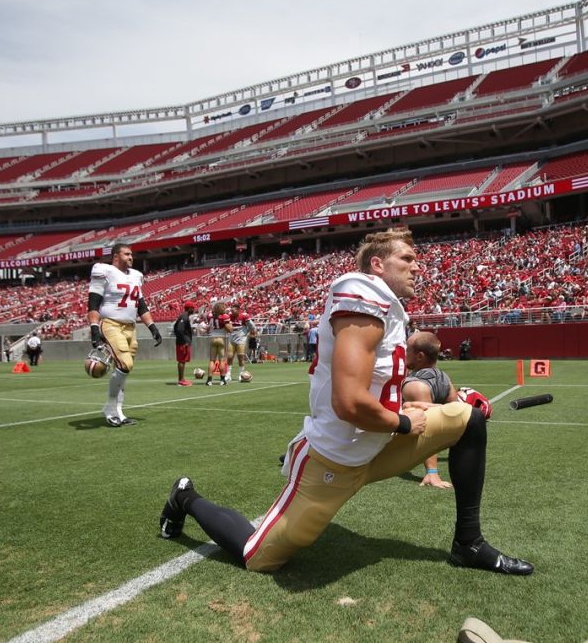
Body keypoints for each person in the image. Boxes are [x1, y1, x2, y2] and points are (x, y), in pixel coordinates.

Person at [159, 227, 532, 576]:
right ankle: (185, 497)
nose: (417, 266)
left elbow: (377, 385)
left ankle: (468, 543)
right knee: (260, 558)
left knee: (467, 419)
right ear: (377, 265)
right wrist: (403, 422)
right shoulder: (361, 294)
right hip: (334, 459)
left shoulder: (387, 309)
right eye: (407, 258)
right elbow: (349, 402)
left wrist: (415, 407)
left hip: (378, 444)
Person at [88, 242, 163, 427]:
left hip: (130, 327)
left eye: (131, 254)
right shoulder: (103, 270)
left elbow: (141, 305)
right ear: (115, 256)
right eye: (127, 254)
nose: (131, 257)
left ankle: (119, 412)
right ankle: (108, 407)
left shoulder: (137, 276)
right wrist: (94, 328)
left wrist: (152, 327)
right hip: (111, 324)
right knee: (125, 364)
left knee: (124, 371)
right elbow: (93, 303)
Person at [402, 331, 456, 489]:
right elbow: (455, 411)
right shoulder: (444, 378)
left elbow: (426, 428)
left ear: (419, 356)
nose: (404, 353)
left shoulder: (416, 385)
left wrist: (432, 471)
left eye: (407, 350)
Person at [205, 302, 232, 386]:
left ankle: (209, 380)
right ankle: (222, 380)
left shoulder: (210, 316)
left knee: (212, 360)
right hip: (221, 338)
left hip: (212, 338)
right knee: (222, 360)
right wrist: (230, 325)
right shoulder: (225, 316)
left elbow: (208, 327)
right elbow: (229, 329)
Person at [173, 302, 195, 386]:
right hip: (182, 342)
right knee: (182, 360)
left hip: (181, 341)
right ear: (189, 308)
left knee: (182, 360)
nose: (194, 309)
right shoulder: (184, 317)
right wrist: (185, 341)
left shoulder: (183, 316)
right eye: (193, 308)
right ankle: (181, 381)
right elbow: (179, 329)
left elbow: (176, 327)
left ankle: (181, 379)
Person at [226, 308, 251, 381]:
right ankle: (228, 374)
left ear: (238, 310)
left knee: (240, 357)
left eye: (233, 310)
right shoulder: (229, 317)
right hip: (232, 339)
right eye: (232, 310)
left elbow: (251, 326)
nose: (232, 311)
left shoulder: (243, 316)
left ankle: (241, 374)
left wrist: (246, 333)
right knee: (229, 357)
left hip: (241, 339)